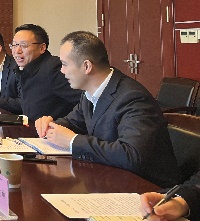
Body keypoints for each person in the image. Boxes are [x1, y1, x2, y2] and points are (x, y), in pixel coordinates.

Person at [35, 31, 179, 188]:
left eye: (64, 64)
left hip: (147, 188)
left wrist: (72, 141)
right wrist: (51, 126)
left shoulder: (132, 97)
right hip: (109, 178)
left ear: (87, 66)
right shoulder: (89, 92)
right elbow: (73, 122)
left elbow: (131, 155)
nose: (62, 71)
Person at [10, 23, 80, 121]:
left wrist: (62, 123)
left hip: (54, 129)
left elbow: (83, 101)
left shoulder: (54, 68)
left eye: (24, 45)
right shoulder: (23, 70)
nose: (17, 51)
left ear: (42, 48)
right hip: (32, 128)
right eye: (14, 45)